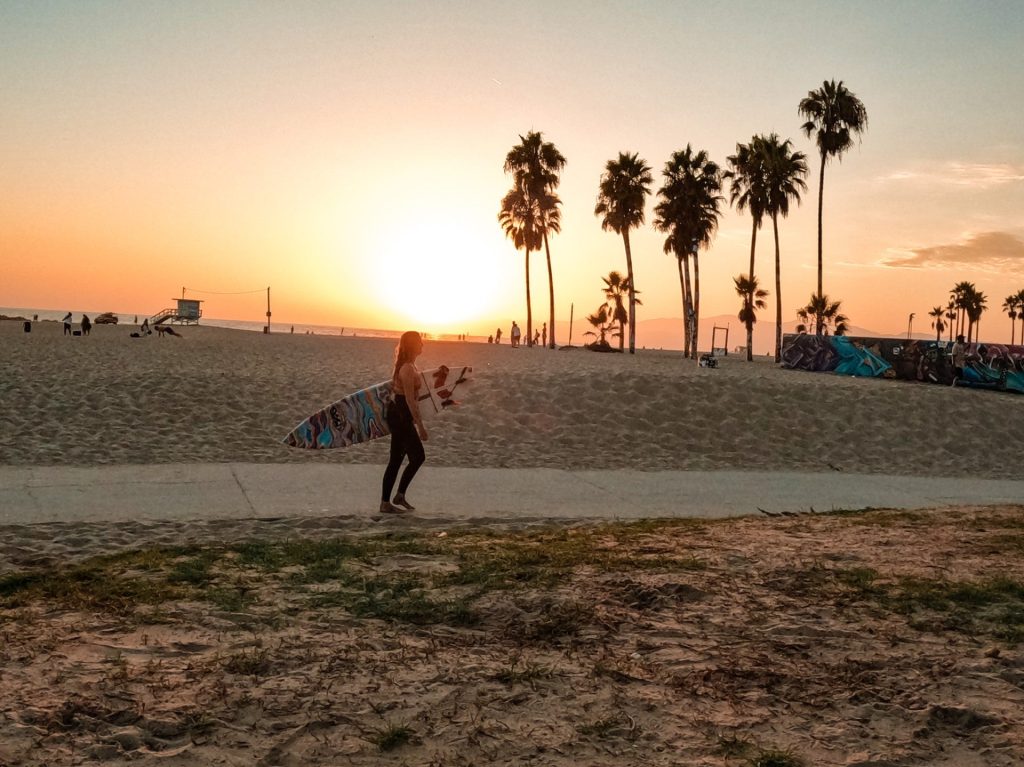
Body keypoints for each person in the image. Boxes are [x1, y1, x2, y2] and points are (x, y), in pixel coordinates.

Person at [380, 331, 428, 514]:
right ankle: (395, 497)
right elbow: (409, 400)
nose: (423, 344)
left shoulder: (411, 366)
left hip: (400, 415)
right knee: (418, 456)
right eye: (419, 342)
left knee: (396, 459)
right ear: (411, 345)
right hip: (400, 415)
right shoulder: (407, 369)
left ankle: (388, 501)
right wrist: (421, 427)